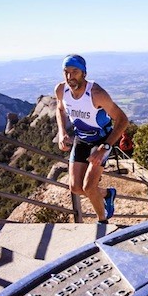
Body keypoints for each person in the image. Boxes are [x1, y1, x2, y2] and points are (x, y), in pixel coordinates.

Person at [55, 54, 128, 224]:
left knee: (88, 187)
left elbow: (122, 120)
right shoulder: (61, 90)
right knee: (75, 187)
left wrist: (105, 147)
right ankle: (107, 194)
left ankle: (102, 222)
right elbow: (60, 110)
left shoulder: (96, 94)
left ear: (84, 73)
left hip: (100, 141)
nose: (69, 76)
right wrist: (62, 131)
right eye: (66, 72)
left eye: (74, 71)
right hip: (81, 140)